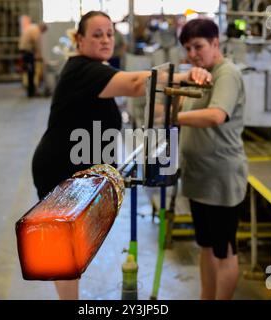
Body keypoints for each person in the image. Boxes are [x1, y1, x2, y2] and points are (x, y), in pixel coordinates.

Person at [31, 10, 208, 300]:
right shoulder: (83, 69)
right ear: (80, 39)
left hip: (77, 175)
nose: (105, 40)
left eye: (110, 34)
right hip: (59, 173)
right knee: (64, 252)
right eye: (97, 34)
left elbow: (136, 81)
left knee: (73, 248)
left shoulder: (95, 69)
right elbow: (138, 84)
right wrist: (186, 74)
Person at [176, 18, 247, 300]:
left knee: (224, 249)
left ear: (215, 43)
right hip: (200, 177)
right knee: (205, 246)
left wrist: (173, 117)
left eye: (198, 46)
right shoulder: (200, 74)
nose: (193, 54)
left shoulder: (225, 74)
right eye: (188, 48)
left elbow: (216, 115)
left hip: (221, 179)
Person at [19, 22, 48, 97]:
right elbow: (36, 44)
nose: (42, 33)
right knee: (30, 72)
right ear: (42, 28)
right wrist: (40, 55)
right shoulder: (36, 30)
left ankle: (31, 91)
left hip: (26, 51)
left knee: (30, 71)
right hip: (27, 52)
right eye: (43, 31)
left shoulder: (33, 27)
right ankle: (31, 92)